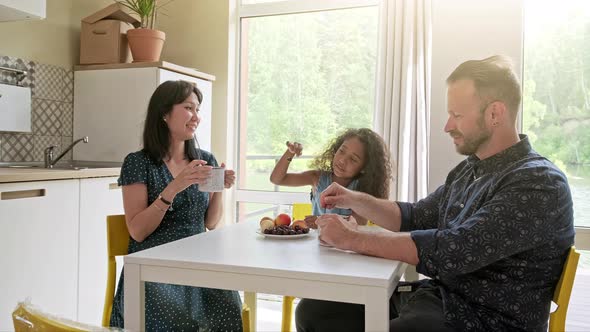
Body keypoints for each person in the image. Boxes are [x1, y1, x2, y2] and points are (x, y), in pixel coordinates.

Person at [295, 56, 575, 331]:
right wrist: (352, 198)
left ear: (494, 114)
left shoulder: (538, 182)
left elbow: (455, 249)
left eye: (457, 115)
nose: (447, 126)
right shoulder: (469, 171)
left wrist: (352, 237)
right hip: (439, 299)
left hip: (484, 319)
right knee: (316, 311)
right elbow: (415, 216)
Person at [109, 80, 243, 331]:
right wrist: (174, 187)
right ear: (164, 113)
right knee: (177, 318)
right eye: (189, 108)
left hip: (198, 261)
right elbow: (138, 231)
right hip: (152, 266)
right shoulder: (138, 163)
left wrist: (220, 189)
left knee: (228, 304)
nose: (196, 117)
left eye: (198, 110)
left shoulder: (205, 160)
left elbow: (210, 223)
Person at [269, 128, 393, 224]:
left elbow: (357, 224)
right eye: (342, 151)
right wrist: (289, 153)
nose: (342, 160)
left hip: (347, 250)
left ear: (365, 167)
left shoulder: (362, 189)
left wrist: (321, 223)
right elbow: (277, 179)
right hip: (316, 246)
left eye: (353, 159)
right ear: (335, 149)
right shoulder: (316, 177)